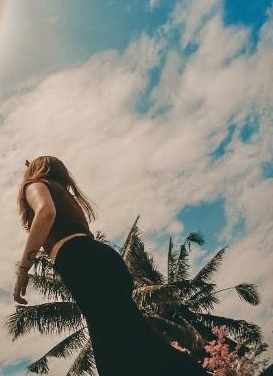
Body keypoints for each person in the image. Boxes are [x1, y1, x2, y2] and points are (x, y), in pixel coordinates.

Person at [13, 156, 208, 376]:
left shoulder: (35, 185)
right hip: (101, 259)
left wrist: (23, 270)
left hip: (81, 261)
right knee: (130, 338)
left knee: (114, 344)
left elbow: (45, 213)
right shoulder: (67, 197)